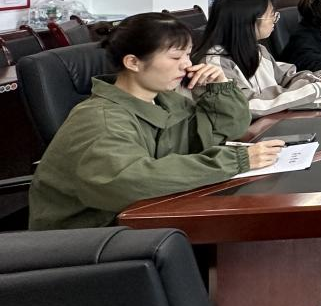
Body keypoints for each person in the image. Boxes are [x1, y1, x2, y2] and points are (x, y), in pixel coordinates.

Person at [28, 13, 283, 230]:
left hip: (146, 221)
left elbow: (226, 130)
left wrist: (220, 88)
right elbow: (128, 182)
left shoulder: (165, 100)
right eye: (175, 57)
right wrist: (233, 161)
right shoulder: (100, 119)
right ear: (133, 62)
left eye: (188, 55)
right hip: (89, 241)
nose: (187, 65)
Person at [194, 0, 321, 118]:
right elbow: (249, 105)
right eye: (271, 15)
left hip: (270, 124)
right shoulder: (214, 64)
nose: (275, 20)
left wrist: (320, 78)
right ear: (248, 22)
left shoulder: (258, 51)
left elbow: (286, 76)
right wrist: (317, 89)